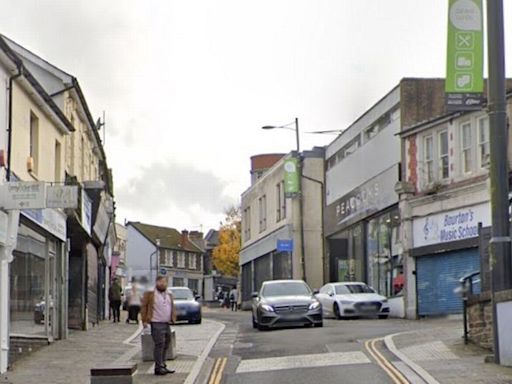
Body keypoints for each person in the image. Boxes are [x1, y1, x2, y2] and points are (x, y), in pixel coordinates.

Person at [141, 276, 177, 376]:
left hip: (166, 323)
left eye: (164, 282)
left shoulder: (169, 293)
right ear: (156, 282)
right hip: (156, 322)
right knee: (159, 344)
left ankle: (163, 365)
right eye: (160, 282)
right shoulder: (150, 293)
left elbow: (172, 306)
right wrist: (144, 321)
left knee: (166, 344)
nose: (162, 284)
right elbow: (144, 307)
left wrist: (173, 317)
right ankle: (158, 367)